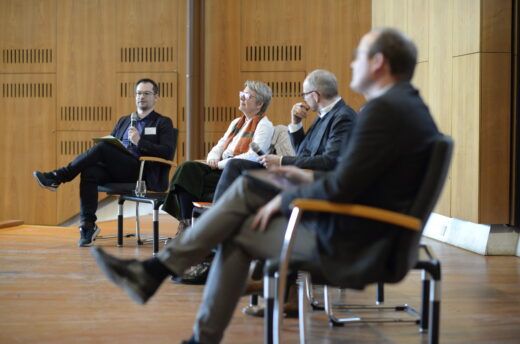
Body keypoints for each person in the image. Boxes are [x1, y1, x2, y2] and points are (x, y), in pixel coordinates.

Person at [91, 27, 440, 344]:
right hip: (363, 231)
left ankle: (161, 277)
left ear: (378, 63)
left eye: (358, 57)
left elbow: (342, 184)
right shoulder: (403, 109)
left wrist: (289, 197)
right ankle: (171, 292)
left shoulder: (385, 114)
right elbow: (350, 178)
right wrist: (295, 179)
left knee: (241, 215)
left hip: (355, 241)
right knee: (242, 213)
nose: (351, 66)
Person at [33, 79, 176, 247]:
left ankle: (59, 176)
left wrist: (140, 142)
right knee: (90, 171)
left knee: (101, 147)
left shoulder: (162, 122)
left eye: (146, 93)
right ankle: (88, 225)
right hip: (119, 169)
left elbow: (167, 152)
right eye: (138, 93)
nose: (141, 97)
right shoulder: (124, 120)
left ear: (156, 97)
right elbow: (111, 145)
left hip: (141, 172)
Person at [212, 69, 357, 201]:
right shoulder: (323, 116)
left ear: (315, 96)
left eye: (305, 95)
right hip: (300, 177)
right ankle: (218, 215)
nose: (304, 99)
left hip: (313, 185)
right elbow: (302, 152)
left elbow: (329, 162)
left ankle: (216, 219)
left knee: (236, 167)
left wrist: (280, 161)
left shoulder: (343, 117)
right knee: (237, 168)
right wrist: (296, 123)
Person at [161, 80, 274, 226]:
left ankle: (191, 227)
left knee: (187, 181)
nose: (241, 97)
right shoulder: (236, 123)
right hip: (221, 167)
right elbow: (220, 145)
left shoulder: (265, 125)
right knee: (187, 168)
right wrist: (213, 157)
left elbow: (253, 156)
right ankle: (187, 224)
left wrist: (219, 164)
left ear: (259, 104)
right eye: (242, 93)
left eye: (247, 95)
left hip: (236, 171)